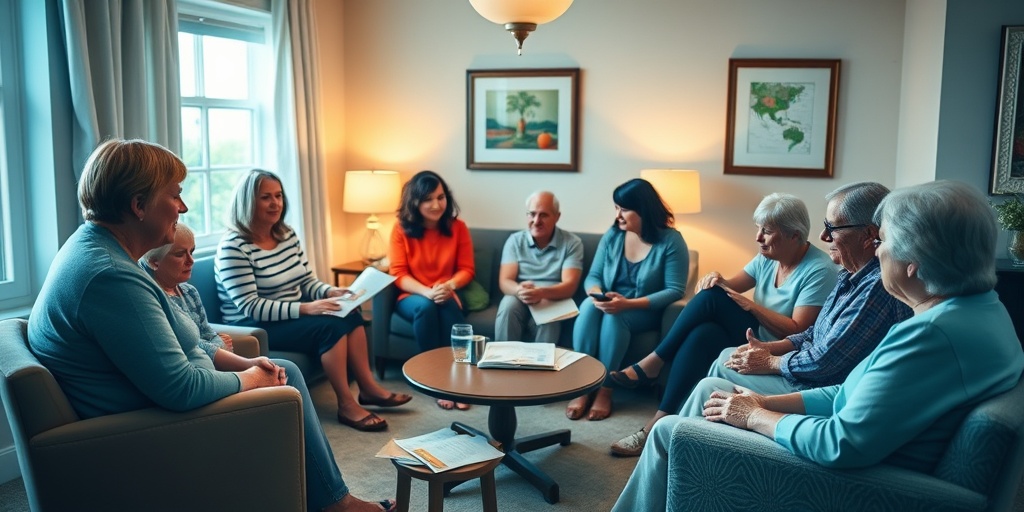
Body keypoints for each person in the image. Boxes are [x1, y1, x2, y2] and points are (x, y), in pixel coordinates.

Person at [27, 139, 395, 512]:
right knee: (283, 379)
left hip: (150, 400)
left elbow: (182, 346)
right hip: (146, 424)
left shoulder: (107, 255)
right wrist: (252, 379)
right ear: (138, 205)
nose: (183, 207)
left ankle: (334, 501)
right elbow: (182, 388)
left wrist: (248, 366)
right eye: (175, 196)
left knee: (285, 370)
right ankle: (338, 505)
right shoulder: (112, 276)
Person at [611, 180, 1024, 511]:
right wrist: (763, 401)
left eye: (886, 241)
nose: (879, 249)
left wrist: (756, 416)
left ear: (914, 259)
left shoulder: (931, 334)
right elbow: (849, 394)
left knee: (670, 430)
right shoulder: (980, 310)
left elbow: (841, 443)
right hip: (876, 444)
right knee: (708, 390)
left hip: (868, 477)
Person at [609, 182, 912, 456]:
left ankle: (665, 413)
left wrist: (764, 347)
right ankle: (670, 435)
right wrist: (719, 281)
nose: (824, 236)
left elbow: (817, 350)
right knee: (705, 333)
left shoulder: (837, 275)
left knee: (713, 312)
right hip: (781, 350)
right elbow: (812, 335)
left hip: (809, 376)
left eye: (832, 227)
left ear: (794, 235)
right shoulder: (848, 275)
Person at [605, 192, 836, 437]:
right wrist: (716, 277)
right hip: (752, 335)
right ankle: (659, 422)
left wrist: (751, 306)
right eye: (758, 228)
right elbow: (731, 285)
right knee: (703, 332)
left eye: (767, 231)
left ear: (794, 235)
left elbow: (799, 330)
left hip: (780, 349)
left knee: (712, 297)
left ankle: (653, 362)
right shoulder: (767, 257)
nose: (758, 237)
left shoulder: (819, 270)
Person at [216, 169, 410, 433]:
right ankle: (346, 404)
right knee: (329, 326)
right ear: (248, 202)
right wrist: (308, 308)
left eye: (279, 196)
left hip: (292, 314)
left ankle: (369, 389)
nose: (276, 204)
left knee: (351, 314)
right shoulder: (234, 246)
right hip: (253, 326)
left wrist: (330, 293)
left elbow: (306, 281)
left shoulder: (286, 235)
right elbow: (250, 305)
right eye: (266, 198)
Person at [567, 178, 689, 421]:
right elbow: (593, 276)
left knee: (616, 317)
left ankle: (605, 389)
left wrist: (627, 304)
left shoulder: (671, 241)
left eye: (624, 209)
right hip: (611, 303)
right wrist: (597, 295)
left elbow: (675, 290)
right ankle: (583, 386)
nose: (618, 215)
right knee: (588, 307)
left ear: (643, 210)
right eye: (616, 208)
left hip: (644, 309)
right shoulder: (613, 235)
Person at [389, 170, 475, 410]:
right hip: (413, 295)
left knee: (446, 306)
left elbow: (467, 269)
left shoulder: (458, 227)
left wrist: (449, 285)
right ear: (414, 202)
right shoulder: (400, 229)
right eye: (427, 199)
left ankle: (460, 380)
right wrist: (427, 292)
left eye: (440, 197)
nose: (436, 204)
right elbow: (398, 273)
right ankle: (436, 381)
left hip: (447, 292)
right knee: (427, 307)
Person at [495, 191, 584, 343]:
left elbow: (569, 286)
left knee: (550, 317)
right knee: (507, 306)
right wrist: (519, 290)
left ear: (557, 217)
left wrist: (541, 293)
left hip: (552, 296)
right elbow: (505, 281)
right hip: (520, 295)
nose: (536, 221)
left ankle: (541, 365)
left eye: (543, 215)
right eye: (532, 214)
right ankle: (501, 362)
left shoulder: (572, 243)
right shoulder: (515, 241)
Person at [141, 223, 235, 357]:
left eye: (191, 252)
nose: (191, 261)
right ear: (154, 262)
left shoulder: (190, 292)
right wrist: (220, 347)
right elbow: (184, 347)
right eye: (180, 254)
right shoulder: (153, 298)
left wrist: (215, 345)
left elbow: (208, 333)